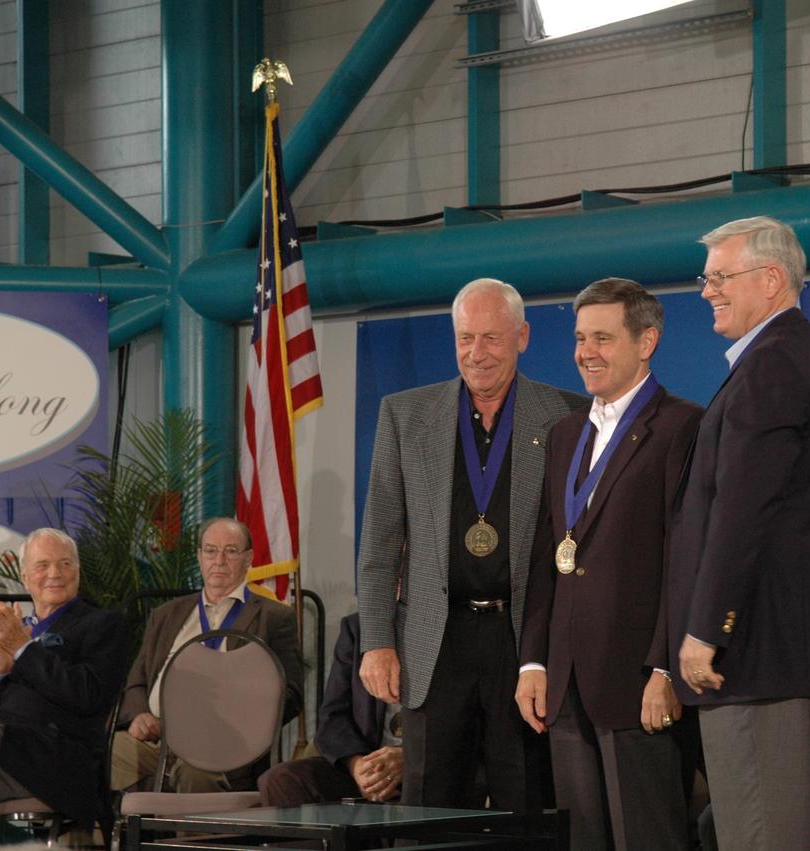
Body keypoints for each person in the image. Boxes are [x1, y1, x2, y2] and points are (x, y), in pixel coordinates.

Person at [666, 216, 810, 850]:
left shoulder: (772, 365)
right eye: (705, 278)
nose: (706, 291)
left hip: (764, 659)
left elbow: (742, 510)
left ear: (771, 279)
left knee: (764, 835)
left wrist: (707, 627)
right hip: (809, 656)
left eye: (720, 277)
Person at [357, 278, 585, 811]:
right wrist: (376, 639)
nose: (476, 354)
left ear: (523, 337)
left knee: (525, 799)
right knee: (428, 806)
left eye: (491, 338)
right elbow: (380, 538)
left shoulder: (568, 418)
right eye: (465, 339)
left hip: (523, 641)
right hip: (435, 640)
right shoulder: (404, 415)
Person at [516, 278, 702, 850]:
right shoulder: (566, 432)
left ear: (646, 342)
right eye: (579, 338)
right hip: (566, 680)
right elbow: (551, 555)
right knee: (583, 840)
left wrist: (665, 668)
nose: (585, 353)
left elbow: (685, 557)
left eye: (602, 337)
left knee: (649, 838)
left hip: (638, 682)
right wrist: (533, 662)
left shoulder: (682, 427)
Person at [0, 528, 127, 836]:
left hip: (48, 760)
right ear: (25, 577)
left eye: (65, 564)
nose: (55, 573)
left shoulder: (103, 624)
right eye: (42, 565)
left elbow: (87, 695)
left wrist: (24, 649)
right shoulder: (10, 629)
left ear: (78, 572)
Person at [112, 517, 304, 792]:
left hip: (225, 742)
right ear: (200, 557)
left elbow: (292, 694)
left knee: (195, 773)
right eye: (211, 550)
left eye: (231, 551)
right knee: (101, 752)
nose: (220, 560)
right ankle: (111, 833)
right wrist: (140, 714)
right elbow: (138, 680)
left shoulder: (273, 617)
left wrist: (234, 720)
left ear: (248, 558)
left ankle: (185, 833)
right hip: (158, 738)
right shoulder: (167, 615)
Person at [259, 614, 403, 807]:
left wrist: (408, 758)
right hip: (365, 765)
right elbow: (333, 716)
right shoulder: (357, 627)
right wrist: (357, 765)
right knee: (281, 779)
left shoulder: (450, 626)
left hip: (427, 766)